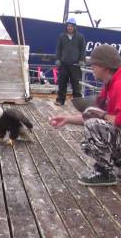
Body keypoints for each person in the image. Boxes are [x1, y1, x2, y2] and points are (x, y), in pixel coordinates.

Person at [50, 44, 121, 186]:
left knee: (93, 125)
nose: (91, 68)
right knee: (87, 144)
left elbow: (112, 119)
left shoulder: (119, 85)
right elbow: (93, 114)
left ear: (104, 67)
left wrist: (102, 115)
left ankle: (105, 173)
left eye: (94, 65)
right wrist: (67, 119)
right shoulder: (109, 85)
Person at [55, 17, 86, 106]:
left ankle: (78, 103)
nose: (70, 27)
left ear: (75, 27)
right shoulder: (62, 36)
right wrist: (58, 59)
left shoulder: (80, 37)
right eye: (68, 26)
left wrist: (81, 60)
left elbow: (83, 49)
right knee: (62, 83)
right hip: (64, 64)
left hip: (75, 65)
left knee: (76, 85)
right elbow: (58, 49)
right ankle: (60, 100)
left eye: (71, 26)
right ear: (66, 27)